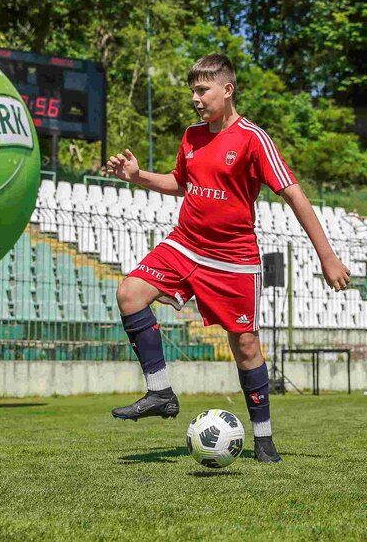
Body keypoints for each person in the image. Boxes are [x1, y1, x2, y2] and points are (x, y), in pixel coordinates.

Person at [105, 54, 351, 463]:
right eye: (193, 92)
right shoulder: (191, 136)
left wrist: (328, 258)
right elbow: (179, 183)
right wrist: (137, 176)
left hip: (233, 257)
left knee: (246, 345)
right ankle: (160, 391)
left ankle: (264, 438)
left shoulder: (253, 138)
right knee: (130, 293)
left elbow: (294, 195)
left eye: (202, 91)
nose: (196, 99)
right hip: (185, 243)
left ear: (227, 89)